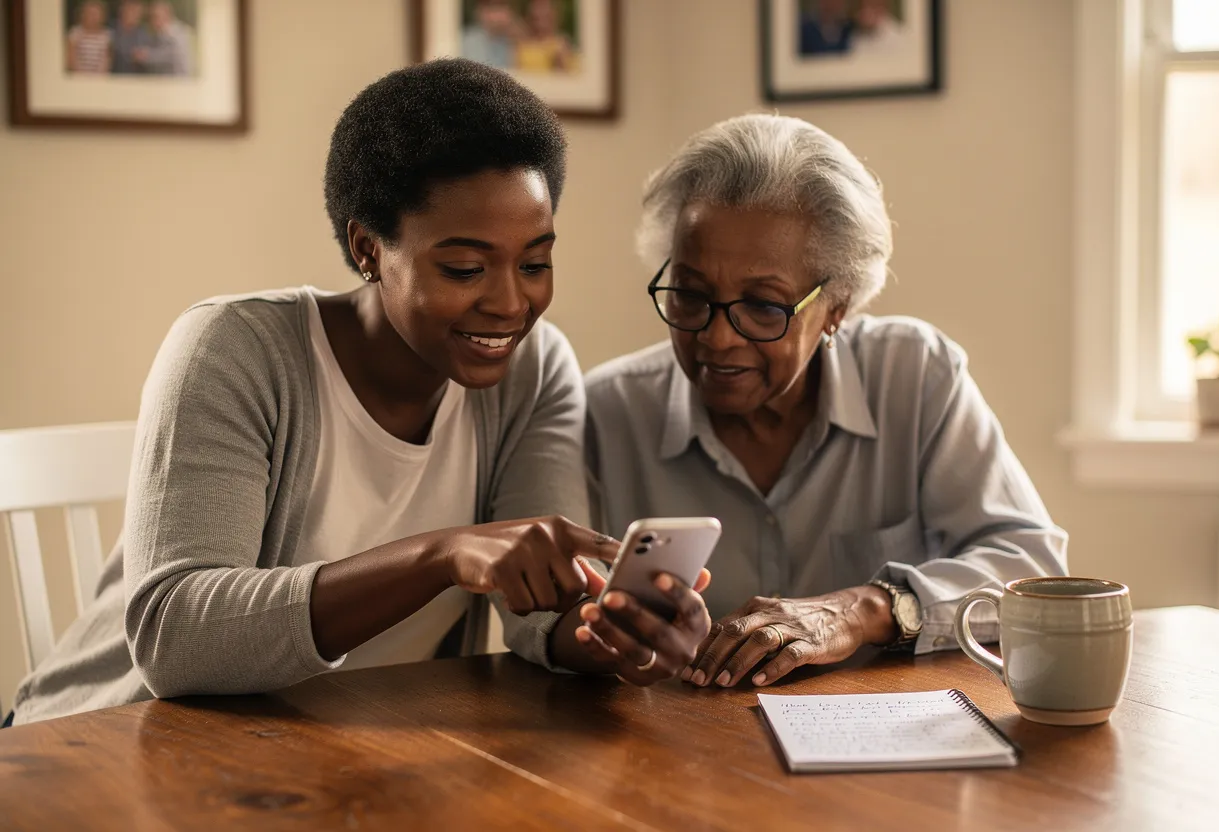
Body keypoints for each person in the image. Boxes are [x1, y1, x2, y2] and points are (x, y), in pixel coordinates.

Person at [8, 60, 711, 726]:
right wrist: (441, 555)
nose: (509, 303)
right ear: (369, 249)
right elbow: (177, 638)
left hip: (329, 750)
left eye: (534, 263)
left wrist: (613, 635)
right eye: (465, 268)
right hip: (99, 745)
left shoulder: (534, 370)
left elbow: (542, 612)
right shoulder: (233, 349)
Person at [585, 114, 1068, 691]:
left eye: (763, 306)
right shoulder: (606, 413)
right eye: (691, 295)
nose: (717, 338)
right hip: (681, 734)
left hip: (883, 730)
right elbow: (558, 626)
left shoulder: (914, 375)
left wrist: (865, 609)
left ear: (837, 307)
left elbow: (1032, 566)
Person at [515, 0, 580, 74]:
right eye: (537, 7)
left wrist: (560, 64)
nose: (539, 12)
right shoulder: (521, 46)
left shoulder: (562, 45)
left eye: (544, 7)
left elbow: (573, 75)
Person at [132, 0, 193, 76]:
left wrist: (146, 56)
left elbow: (169, 55)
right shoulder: (161, 33)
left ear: (167, 14)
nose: (152, 21)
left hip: (179, 80)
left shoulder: (178, 32)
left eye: (155, 16)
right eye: (151, 17)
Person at [462, 0, 518, 69]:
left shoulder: (510, 40)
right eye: (494, 9)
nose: (499, 15)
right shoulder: (467, 40)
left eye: (501, 7)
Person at [65, 0, 112, 74]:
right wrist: (82, 76)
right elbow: (71, 60)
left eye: (96, 14)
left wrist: (97, 77)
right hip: (78, 76)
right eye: (90, 13)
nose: (93, 17)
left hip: (99, 77)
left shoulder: (106, 35)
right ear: (83, 14)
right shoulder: (74, 33)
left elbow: (106, 61)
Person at [112, 0, 154, 75]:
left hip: (136, 77)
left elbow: (148, 54)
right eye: (133, 11)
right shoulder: (112, 30)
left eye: (138, 13)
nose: (136, 16)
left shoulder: (144, 32)